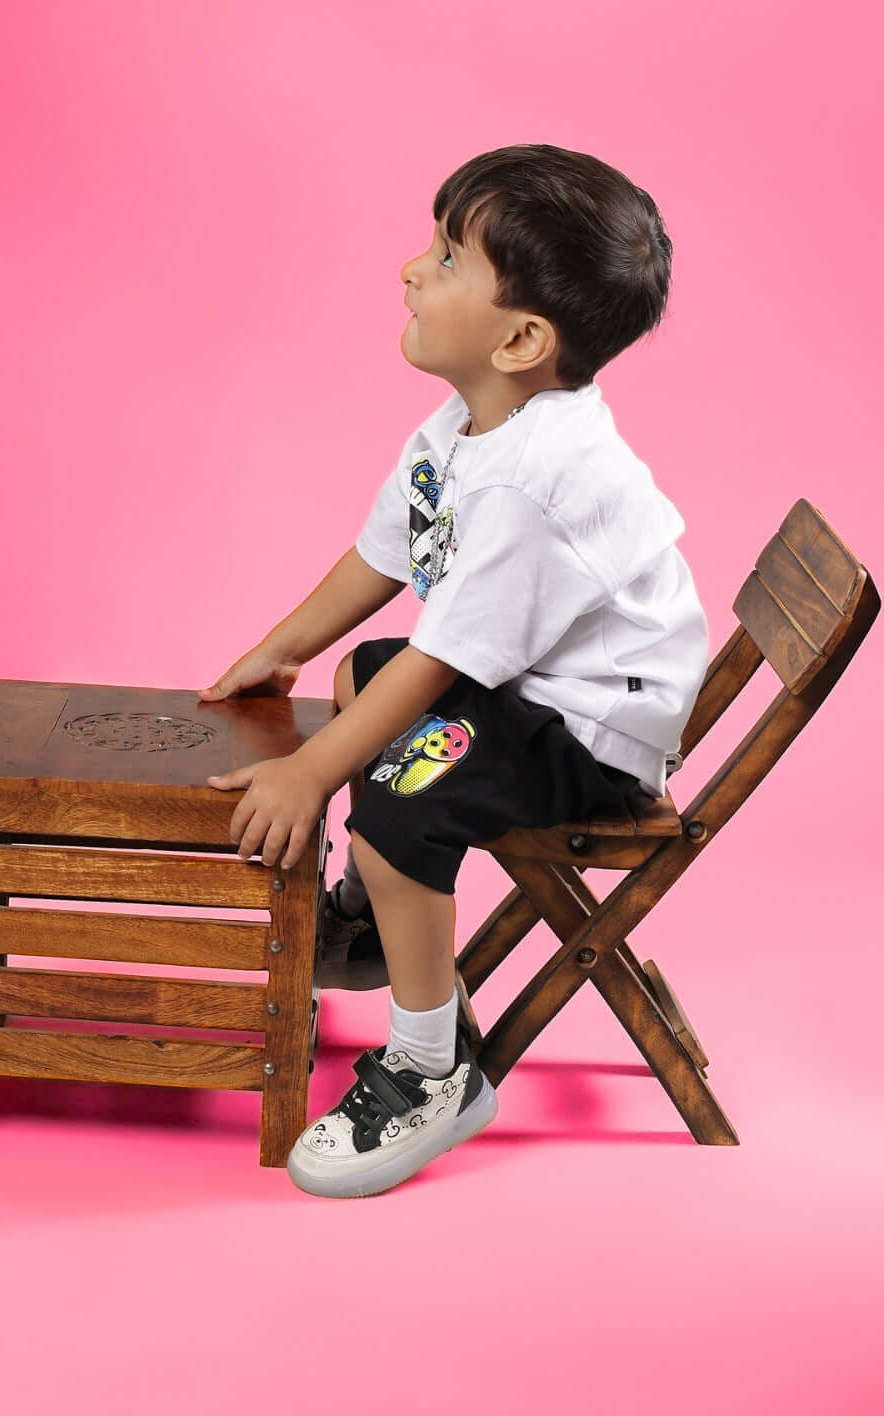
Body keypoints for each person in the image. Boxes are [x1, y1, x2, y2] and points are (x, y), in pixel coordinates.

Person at [199, 143, 709, 1199]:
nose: (409, 270)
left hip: (589, 732)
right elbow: (391, 553)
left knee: (396, 803)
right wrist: (287, 646)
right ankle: (375, 916)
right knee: (355, 680)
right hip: (528, 689)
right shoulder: (467, 422)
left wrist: (311, 776)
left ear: (522, 339)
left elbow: (441, 665)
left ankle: (433, 1069)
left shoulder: (535, 481)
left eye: (444, 257)